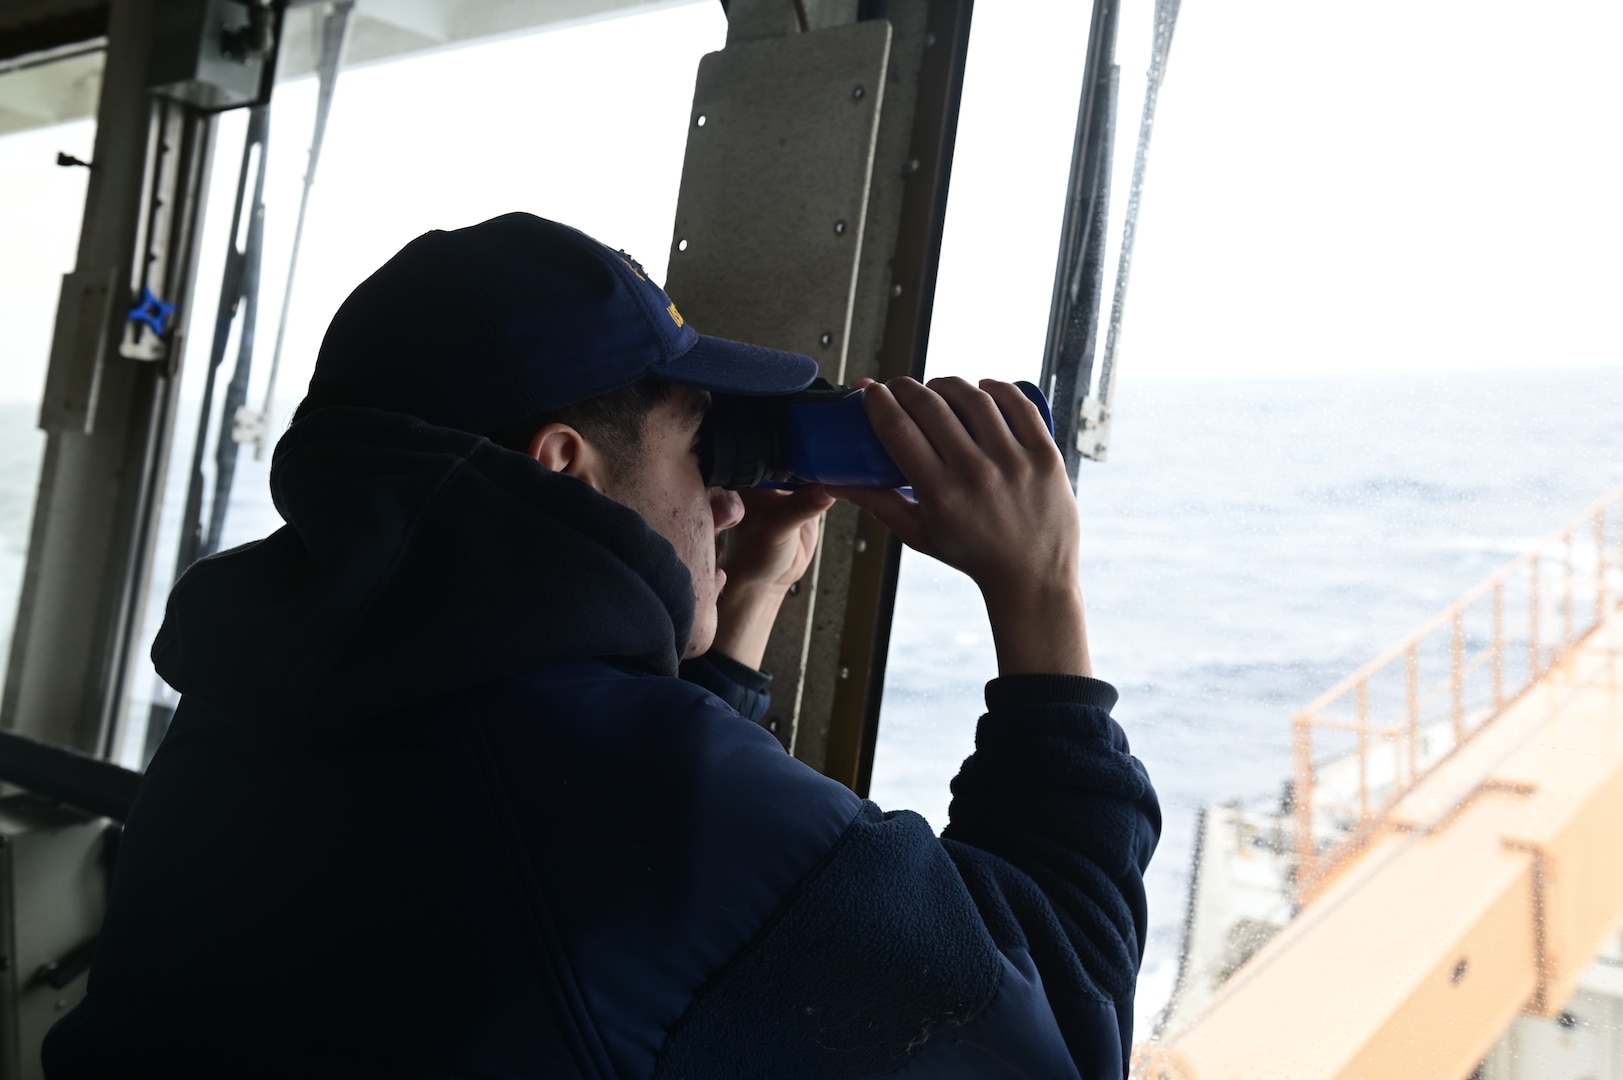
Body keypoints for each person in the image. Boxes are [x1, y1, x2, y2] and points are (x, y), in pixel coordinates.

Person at [43, 213, 1159, 1079]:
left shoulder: (241, 726)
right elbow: (1060, 1024)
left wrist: (746, 595)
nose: (727, 500)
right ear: (562, 463)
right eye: (698, 448)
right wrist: (1039, 589)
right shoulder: (662, 808)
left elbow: (600, 885)